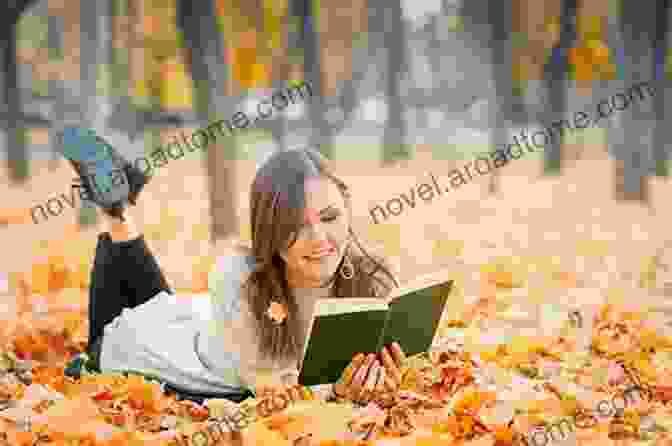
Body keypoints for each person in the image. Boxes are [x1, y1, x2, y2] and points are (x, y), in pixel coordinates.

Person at [59, 129, 405, 411]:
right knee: (106, 338)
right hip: (152, 350)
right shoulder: (239, 276)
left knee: (160, 304)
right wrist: (340, 397)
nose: (320, 240)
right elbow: (272, 393)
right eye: (296, 226)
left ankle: (116, 206)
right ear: (269, 230)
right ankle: (115, 209)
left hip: (192, 321)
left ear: (347, 208)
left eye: (330, 217)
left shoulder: (370, 275)